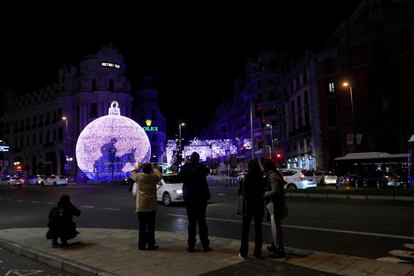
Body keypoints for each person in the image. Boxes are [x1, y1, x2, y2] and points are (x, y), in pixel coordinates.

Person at [178, 152, 211, 252]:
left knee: (191, 222)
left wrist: (187, 165)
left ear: (190, 159)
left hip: (190, 198)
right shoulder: (201, 167)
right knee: (202, 221)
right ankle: (205, 244)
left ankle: (191, 245)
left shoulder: (186, 167)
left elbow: (180, 177)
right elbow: (207, 171)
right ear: (198, 159)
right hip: (201, 197)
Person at [238, 159, 266, 259]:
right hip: (259, 205)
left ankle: (243, 252)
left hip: (248, 206)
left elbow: (241, 191)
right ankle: (257, 252)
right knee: (258, 229)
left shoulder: (247, 177)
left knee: (245, 230)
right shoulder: (261, 176)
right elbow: (264, 190)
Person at [263, 158, 289, 258]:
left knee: (276, 227)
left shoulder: (272, 176)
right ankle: (275, 245)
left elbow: (275, 191)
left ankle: (280, 249)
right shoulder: (275, 174)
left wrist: (265, 194)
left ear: (267, 167)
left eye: (264, 166)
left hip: (275, 205)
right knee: (275, 226)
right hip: (275, 204)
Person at [132, 163, 162, 250]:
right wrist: (154, 168)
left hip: (141, 205)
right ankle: (151, 245)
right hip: (151, 206)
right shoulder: (153, 177)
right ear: (150, 170)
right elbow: (159, 176)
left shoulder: (139, 177)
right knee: (151, 227)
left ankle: (141, 245)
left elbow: (132, 173)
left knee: (142, 227)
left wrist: (139, 167)